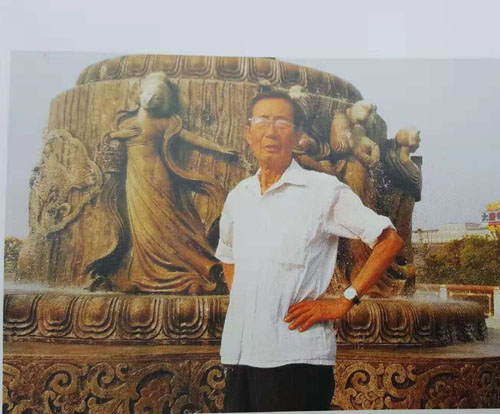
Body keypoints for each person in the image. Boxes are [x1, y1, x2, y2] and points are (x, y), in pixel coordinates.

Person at [215, 90, 403, 412]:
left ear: (297, 136)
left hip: (296, 359)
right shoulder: (239, 196)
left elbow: (389, 240)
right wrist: (246, 302)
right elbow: (228, 256)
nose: (270, 131)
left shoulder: (323, 190)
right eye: (262, 121)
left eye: (281, 122)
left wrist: (345, 300)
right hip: (239, 353)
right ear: (248, 132)